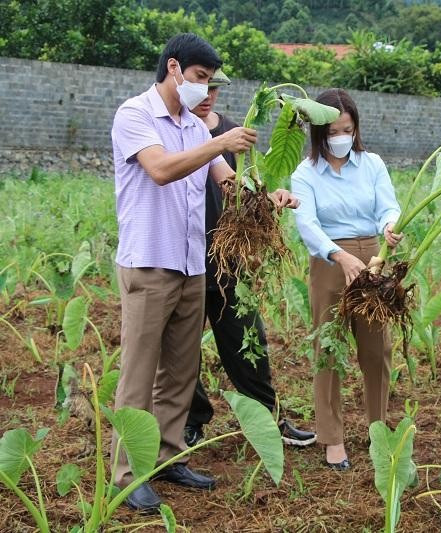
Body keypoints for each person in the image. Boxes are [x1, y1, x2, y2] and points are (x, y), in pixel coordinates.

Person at [110, 33, 297, 513]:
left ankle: (169, 457)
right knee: (138, 372)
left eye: (209, 81)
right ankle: (127, 475)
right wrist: (219, 141)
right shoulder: (135, 115)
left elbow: (227, 182)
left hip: (193, 263)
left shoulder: (194, 128)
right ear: (173, 68)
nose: (203, 88)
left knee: (180, 368)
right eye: (199, 78)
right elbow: (160, 169)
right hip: (150, 261)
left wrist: (266, 198)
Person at [184, 69, 316, 449]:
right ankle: (192, 421)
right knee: (183, 351)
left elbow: (250, 181)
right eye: (202, 86)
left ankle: (269, 420)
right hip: (185, 258)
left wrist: (272, 196)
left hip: (229, 259)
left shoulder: (233, 131)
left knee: (247, 341)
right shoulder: (175, 131)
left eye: (214, 88)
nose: (208, 94)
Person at [290, 88, 403, 470]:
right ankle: (332, 438)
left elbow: (387, 204)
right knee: (330, 348)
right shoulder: (305, 174)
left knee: (377, 349)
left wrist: (389, 226)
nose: (342, 137)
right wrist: (340, 257)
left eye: (348, 129)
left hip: (373, 256)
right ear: (318, 132)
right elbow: (307, 223)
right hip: (329, 260)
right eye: (333, 131)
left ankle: (378, 428)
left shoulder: (371, 164)